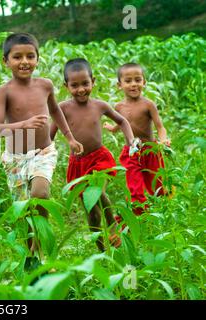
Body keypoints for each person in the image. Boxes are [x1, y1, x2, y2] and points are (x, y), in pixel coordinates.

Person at [0, 33, 83, 266]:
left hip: (43, 152)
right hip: (15, 158)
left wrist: (70, 138)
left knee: (40, 195)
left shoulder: (45, 85)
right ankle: (29, 256)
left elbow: (56, 112)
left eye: (30, 56)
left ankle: (39, 250)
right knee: (24, 212)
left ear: (38, 58)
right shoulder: (4, 92)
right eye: (17, 56)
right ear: (5, 61)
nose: (24, 61)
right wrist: (23, 124)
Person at [50, 58, 136, 251]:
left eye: (85, 84)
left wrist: (130, 141)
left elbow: (122, 121)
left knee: (97, 190)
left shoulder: (100, 105)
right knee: (91, 212)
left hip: (99, 158)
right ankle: (102, 250)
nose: (81, 89)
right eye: (75, 85)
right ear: (66, 86)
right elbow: (50, 135)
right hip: (78, 164)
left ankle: (113, 225)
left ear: (93, 81)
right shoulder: (63, 108)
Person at [104, 62, 170, 216]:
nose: (133, 84)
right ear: (119, 85)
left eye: (137, 80)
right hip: (131, 153)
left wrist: (162, 141)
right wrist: (112, 129)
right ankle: (139, 215)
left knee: (157, 186)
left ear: (144, 82)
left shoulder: (148, 105)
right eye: (128, 81)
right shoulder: (119, 107)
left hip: (150, 151)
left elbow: (160, 127)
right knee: (135, 186)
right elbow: (122, 123)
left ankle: (163, 212)